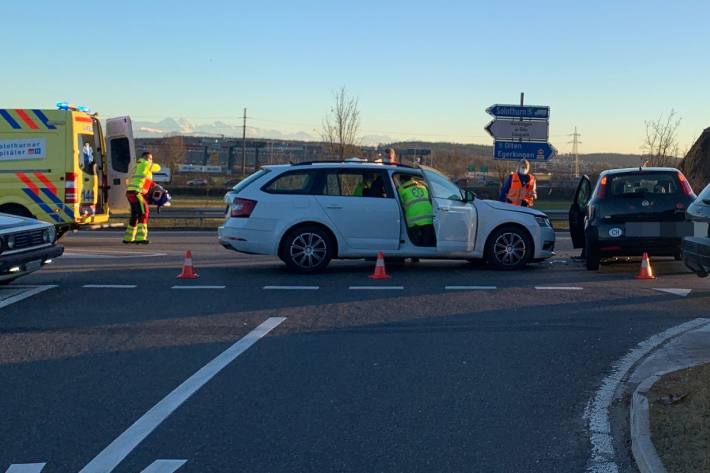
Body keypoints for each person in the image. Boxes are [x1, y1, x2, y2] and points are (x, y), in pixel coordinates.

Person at [123, 152, 161, 244]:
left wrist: (155, 185)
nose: (152, 160)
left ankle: (128, 238)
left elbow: (143, 180)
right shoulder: (146, 164)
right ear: (146, 158)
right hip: (137, 193)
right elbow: (158, 168)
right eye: (151, 158)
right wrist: (152, 164)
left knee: (135, 215)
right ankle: (141, 238)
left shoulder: (136, 167)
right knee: (144, 213)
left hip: (130, 192)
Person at [397, 175, 435, 246]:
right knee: (427, 239)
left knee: (415, 240)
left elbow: (399, 204)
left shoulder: (401, 189)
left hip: (413, 218)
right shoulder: (423, 186)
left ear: (402, 180)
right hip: (428, 215)